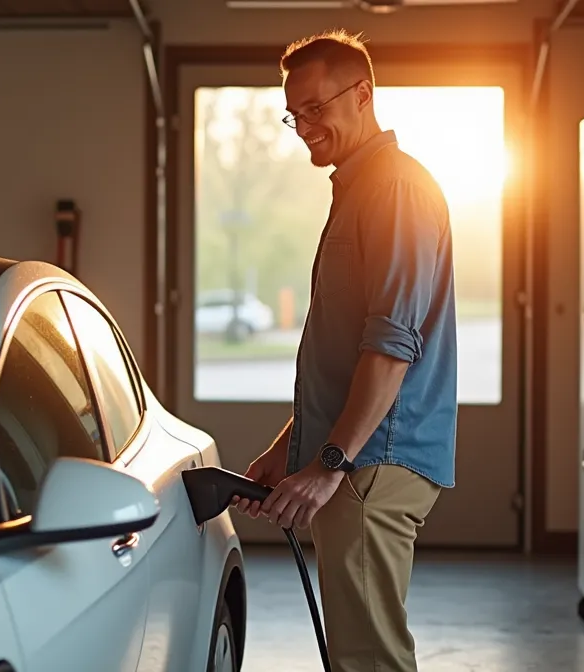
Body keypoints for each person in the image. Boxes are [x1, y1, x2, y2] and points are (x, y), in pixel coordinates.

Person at [230, 29, 459, 672]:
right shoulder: (361, 189)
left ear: (362, 95)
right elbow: (341, 356)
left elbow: (390, 348)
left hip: (371, 461)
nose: (303, 126)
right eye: (294, 113)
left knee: (368, 660)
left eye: (316, 108)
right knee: (358, 654)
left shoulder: (394, 189)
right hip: (357, 458)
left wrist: (329, 464)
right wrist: (289, 450)